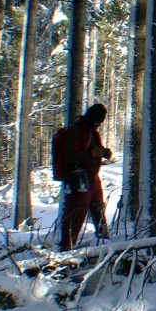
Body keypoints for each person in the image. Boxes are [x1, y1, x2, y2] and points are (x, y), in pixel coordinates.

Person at [59, 103, 113, 251]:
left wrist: (103, 152)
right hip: (78, 179)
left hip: (92, 178)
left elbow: (95, 150)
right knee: (76, 212)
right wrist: (91, 154)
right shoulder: (76, 131)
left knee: (97, 207)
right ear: (91, 117)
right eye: (97, 121)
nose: (98, 124)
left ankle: (104, 240)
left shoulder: (92, 132)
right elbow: (70, 155)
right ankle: (66, 246)